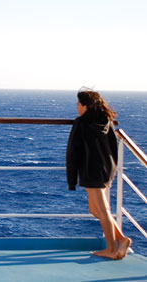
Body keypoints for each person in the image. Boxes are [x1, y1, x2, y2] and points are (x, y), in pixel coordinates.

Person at [66, 87, 132, 260]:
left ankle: (112, 248)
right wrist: (112, 169)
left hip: (91, 170)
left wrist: (71, 180)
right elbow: (112, 147)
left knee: (102, 210)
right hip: (104, 169)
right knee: (96, 209)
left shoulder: (81, 123)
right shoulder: (106, 121)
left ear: (85, 106)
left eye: (79, 103)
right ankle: (121, 240)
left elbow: (73, 150)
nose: (77, 106)